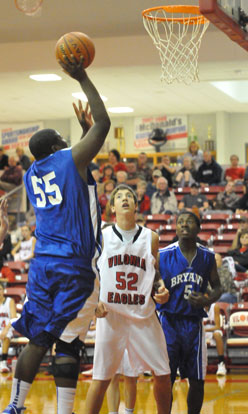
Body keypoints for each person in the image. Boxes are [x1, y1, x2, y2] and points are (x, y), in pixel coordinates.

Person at [1, 55, 110, 414]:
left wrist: (79, 135)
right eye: (64, 141)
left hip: (42, 264)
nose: (68, 144)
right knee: (68, 344)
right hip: (74, 266)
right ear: (56, 148)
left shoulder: (32, 175)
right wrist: (82, 78)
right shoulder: (68, 159)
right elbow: (104, 124)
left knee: (39, 337)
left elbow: (69, 172)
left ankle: (14, 406)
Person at [84, 184, 171, 414]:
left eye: (129, 196)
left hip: (143, 315)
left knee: (163, 373)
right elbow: (87, 271)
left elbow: (156, 274)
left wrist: (161, 290)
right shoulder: (101, 236)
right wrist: (93, 301)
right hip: (111, 316)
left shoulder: (151, 237)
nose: (125, 199)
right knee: (101, 378)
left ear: (136, 205)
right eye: (119, 197)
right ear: (112, 207)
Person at [158, 211, 222, 414]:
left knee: (197, 379)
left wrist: (208, 299)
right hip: (168, 322)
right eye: (180, 222)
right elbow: (152, 284)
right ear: (175, 228)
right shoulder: (163, 255)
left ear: (199, 228)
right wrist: (158, 292)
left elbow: (218, 287)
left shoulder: (208, 257)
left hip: (194, 325)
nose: (184, 224)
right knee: (166, 378)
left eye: (190, 221)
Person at [203, 300, 227, 376]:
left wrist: (206, 330)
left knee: (217, 335)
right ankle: (187, 365)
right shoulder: (198, 306)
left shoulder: (215, 306)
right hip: (202, 331)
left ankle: (221, 363)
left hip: (213, 330)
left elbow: (218, 326)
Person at [0, 282, 17, 373]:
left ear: (3, 291)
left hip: (8, 327)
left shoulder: (9, 301)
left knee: (6, 336)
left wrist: (5, 330)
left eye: (0, 289)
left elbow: (13, 317)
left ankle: (3, 362)